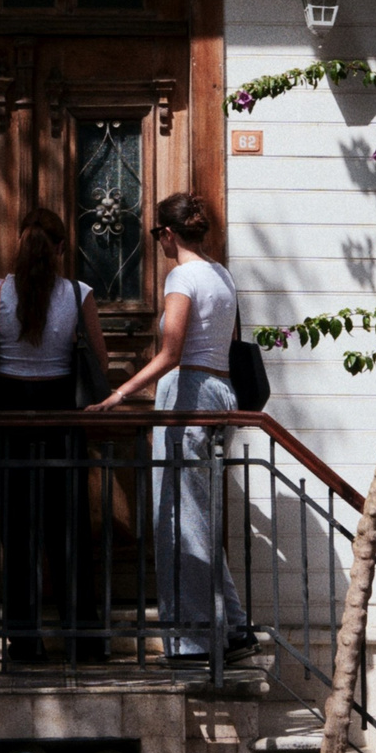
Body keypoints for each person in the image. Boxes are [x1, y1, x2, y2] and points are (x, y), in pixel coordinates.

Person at [88, 191, 253, 666]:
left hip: (189, 396)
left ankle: (194, 642)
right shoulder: (222, 274)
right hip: (219, 393)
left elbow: (172, 351)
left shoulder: (182, 275)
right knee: (201, 517)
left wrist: (120, 394)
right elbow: (229, 342)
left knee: (179, 521)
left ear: (166, 233)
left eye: (156, 234)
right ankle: (235, 629)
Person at [0, 208, 109, 663]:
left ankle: (24, 641)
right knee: (68, 528)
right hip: (60, 417)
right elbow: (102, 362)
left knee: (16, 532)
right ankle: (84, 638)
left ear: (20, 242)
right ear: (60, 248)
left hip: (6, 417)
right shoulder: (77, 292)